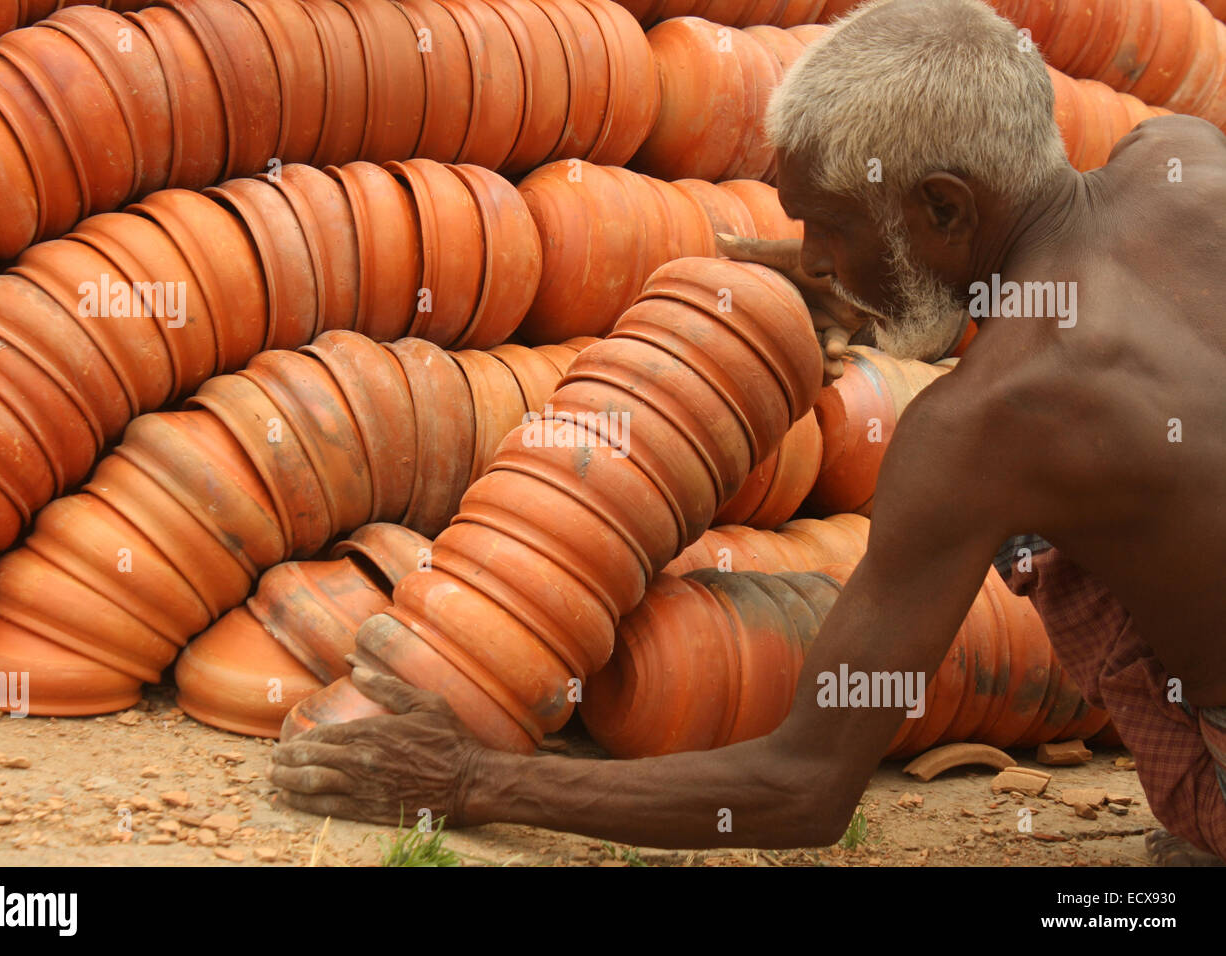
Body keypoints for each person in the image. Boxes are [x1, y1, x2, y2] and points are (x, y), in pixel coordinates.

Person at [271, 0, 1226, 864]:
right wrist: (879, 274)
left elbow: (801, 790)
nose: (814, 259)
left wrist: (473, 782)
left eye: (832, 229)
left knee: (1045, 545)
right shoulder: (1183, 154)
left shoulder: (986, 428)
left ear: (942, 206)